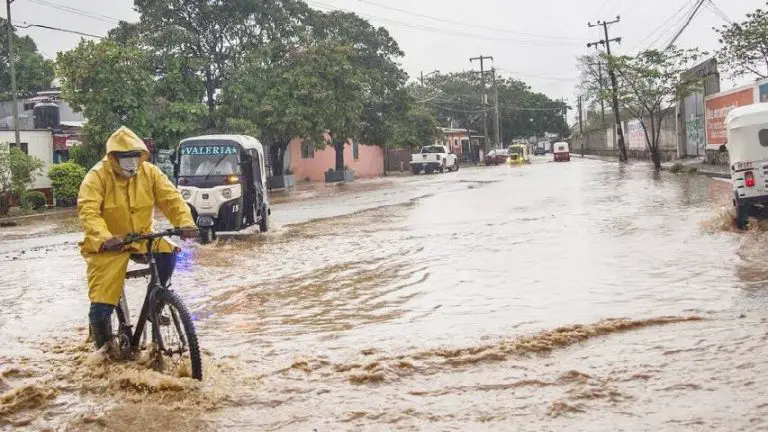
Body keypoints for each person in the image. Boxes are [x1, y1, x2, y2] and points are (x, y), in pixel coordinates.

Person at [77, 126, 198, 350]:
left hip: (143, 237)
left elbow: (171, 199)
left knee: (169, 253)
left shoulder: (150, 172)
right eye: (126, 158)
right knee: (101, 304)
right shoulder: (96, 177)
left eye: (135, 157)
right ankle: (104, 352)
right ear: (113, 158)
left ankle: (156, 305)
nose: (132, 163)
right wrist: (105, 237)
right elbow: (88, 211)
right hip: (108, 246)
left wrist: (185, 223)